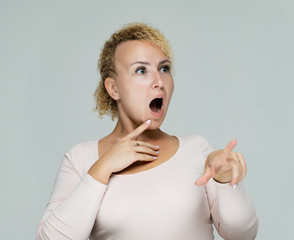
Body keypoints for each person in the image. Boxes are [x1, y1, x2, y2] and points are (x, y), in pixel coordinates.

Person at [36, 22, 259, 240]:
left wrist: (224, 180)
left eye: (164, 68)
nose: (159, 81)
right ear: (114, 88)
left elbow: (243, 234)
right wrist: (103, 168)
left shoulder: (197, 150)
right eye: (141, 70)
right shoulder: (80, 159)